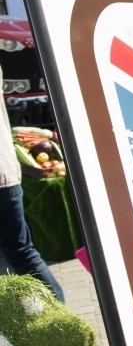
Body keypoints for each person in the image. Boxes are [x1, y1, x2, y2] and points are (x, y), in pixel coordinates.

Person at [0, 66, 64, 303]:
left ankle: (61, 323)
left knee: (20, 252)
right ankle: (60, 319)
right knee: (20, 252)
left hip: (3, 178)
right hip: (6, 174)